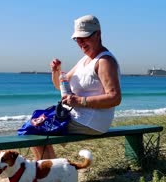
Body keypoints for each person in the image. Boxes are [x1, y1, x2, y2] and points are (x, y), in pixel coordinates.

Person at [31, 14, 122, 160]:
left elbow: (114, 97)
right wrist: (56, 71)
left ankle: (48, 175)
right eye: (77, 39)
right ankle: (49, 173)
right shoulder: (85, 60)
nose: (80, 42)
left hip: (92, 121)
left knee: (35, 127)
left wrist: (79, 101)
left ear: (98, 34)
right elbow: (60, 87)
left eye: (84, 37)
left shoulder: (105, 61)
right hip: (79, 116)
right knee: (36, 121)